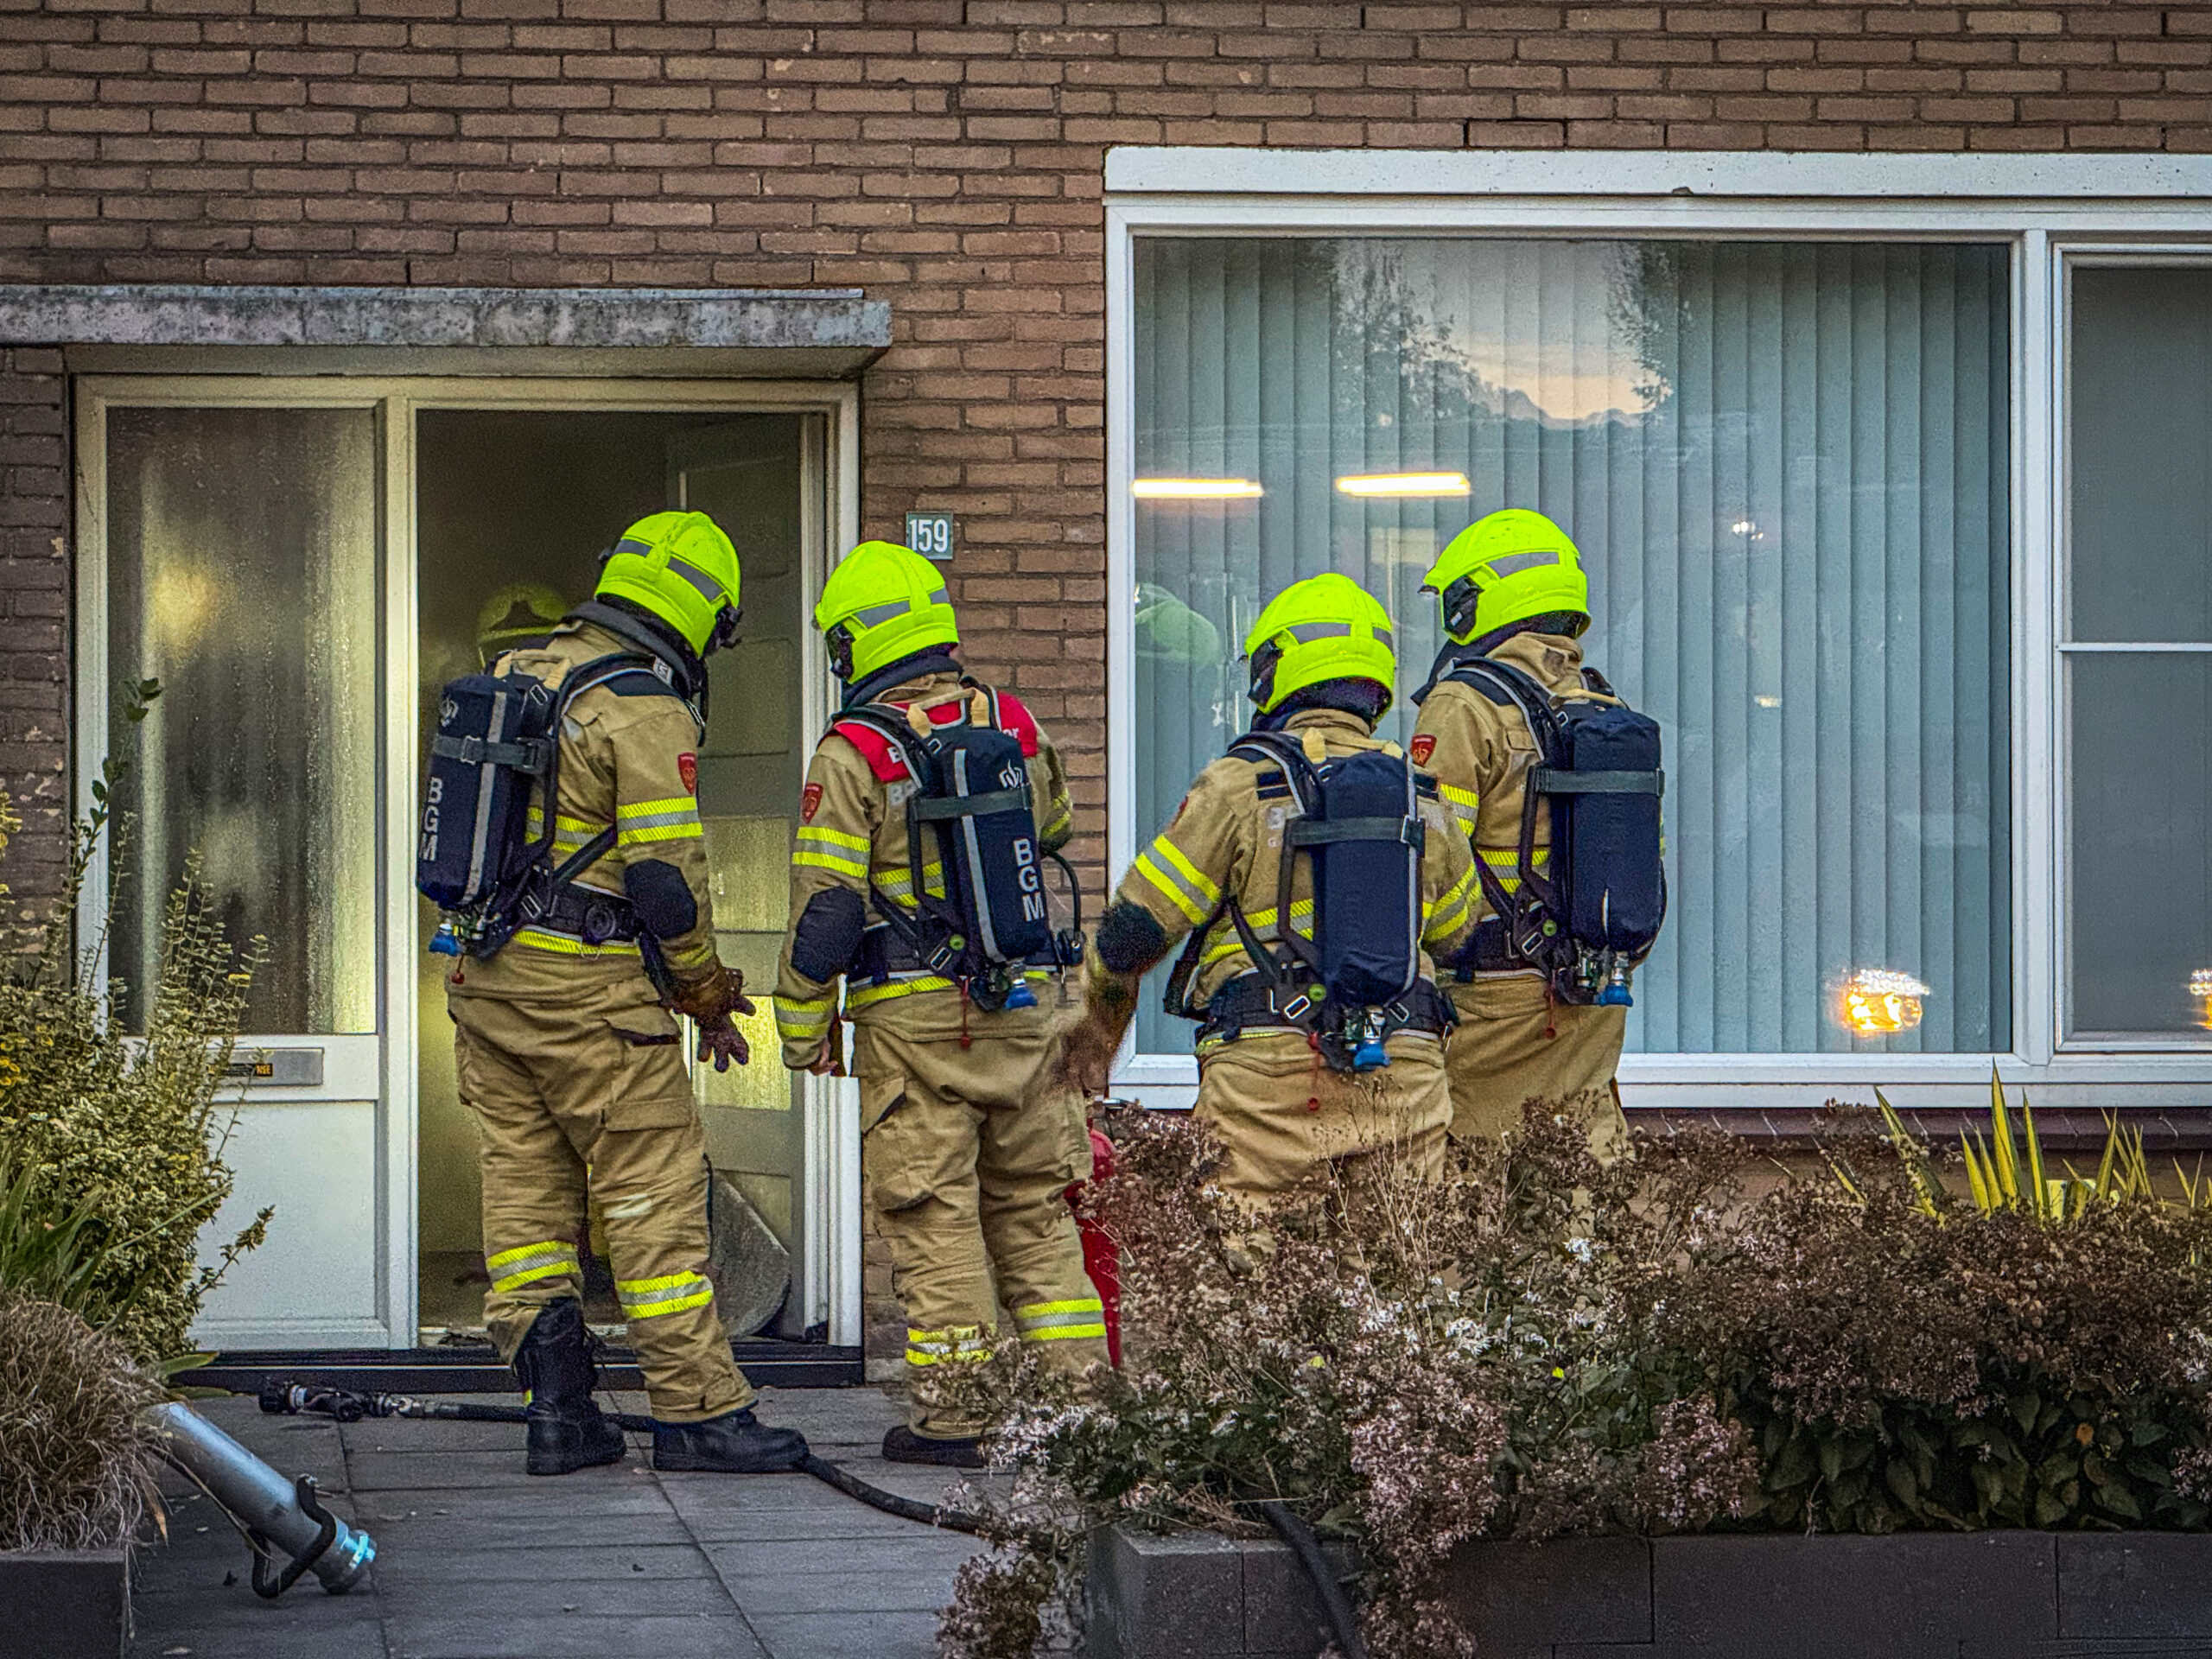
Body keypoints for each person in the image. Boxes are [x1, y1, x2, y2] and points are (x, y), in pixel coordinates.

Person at [446, 510, 810, 1477]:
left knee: (525, 1205)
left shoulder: (521, 672)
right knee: (652, 1203)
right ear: (700, 613)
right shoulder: (641, 705)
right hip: (592, 1002)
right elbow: (664, 881)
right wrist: (703, 990)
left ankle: (559, 1414)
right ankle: (698, 1413)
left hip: (490, 984)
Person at [772, 541, 1108, 1469]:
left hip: (916, 1022)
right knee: (1036, 1213)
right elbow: (1053, 829)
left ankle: (959, 1420)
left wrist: (802, 1027)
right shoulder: (1013, 720)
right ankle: (1084, 1412)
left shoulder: (853, 752)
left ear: (853, 643)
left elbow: (827, 909)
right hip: (1027, 1008)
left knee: (936, 1219)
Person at [1057, 572, 1481, 1208]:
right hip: (1404, 1072)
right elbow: (1456, 937)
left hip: (1270, 1078)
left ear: (1272, 673)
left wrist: (1090, 1050)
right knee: (1397, 1260)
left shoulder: (1239, 786)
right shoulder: (1424, 797)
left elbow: (1135, 932)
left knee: (1244, 1258)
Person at [1408, 508, 1632, 1157]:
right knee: (1577, 1177)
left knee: (1477, 1179)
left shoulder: (1465, 704)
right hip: (1593, 990)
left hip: (1495, 997)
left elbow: (1428, 855)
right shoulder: (1601, 707)